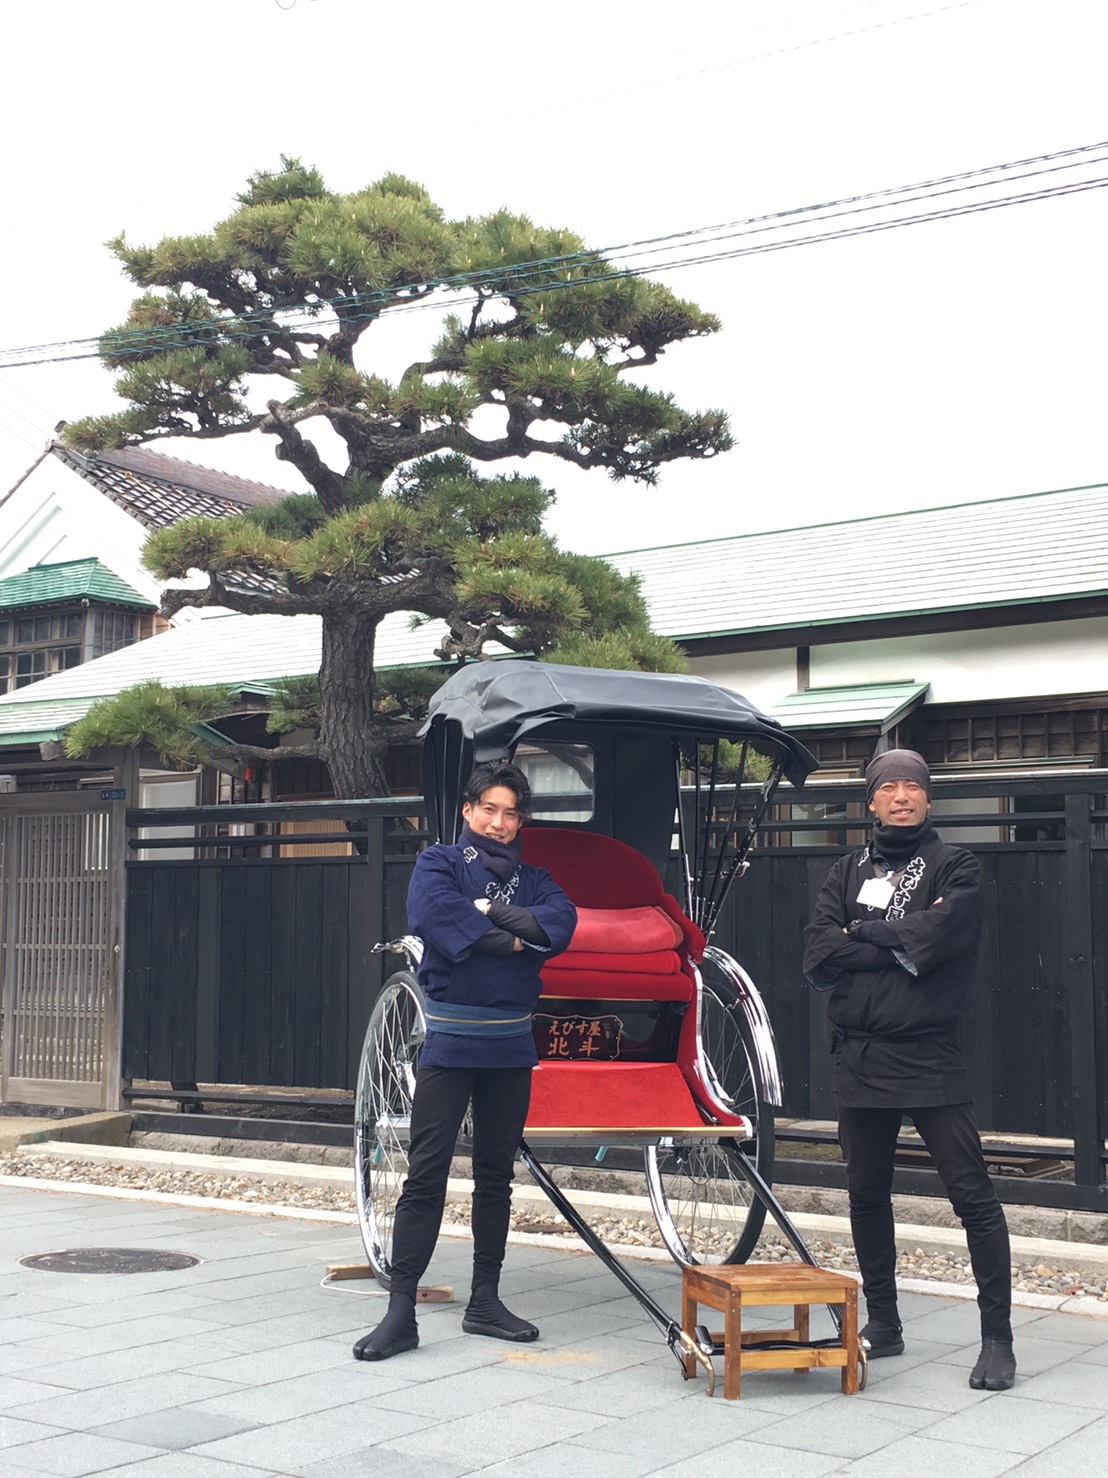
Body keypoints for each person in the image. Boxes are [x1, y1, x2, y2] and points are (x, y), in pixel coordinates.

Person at [803, 749, 1016, 1391]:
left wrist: (861, 935)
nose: (901, 796)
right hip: (861, 1054)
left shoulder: (958, 865)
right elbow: (818, 949)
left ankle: (999, 1341)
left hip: (929, 1052)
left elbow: (943, 934)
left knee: (971, 1194)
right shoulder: (847, 867)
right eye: (887, 787)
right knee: (866, 1192)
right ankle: (885, 1322)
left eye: (912, 787)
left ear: (929, 799)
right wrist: (890, 938)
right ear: (870, 801)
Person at [353, 761, 577, 1362]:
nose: (500, 823)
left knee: (495, 1177)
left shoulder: (539, 876)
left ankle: (485, 1301)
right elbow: (434, 916)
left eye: (511, 813)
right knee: (426, 1175)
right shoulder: (439, 864)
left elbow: (558, 926)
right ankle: (400, 1312)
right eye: (490, 810)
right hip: (452, 1041)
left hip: (511, 1045)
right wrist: (515, 937)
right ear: (468, 810)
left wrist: (489, 918)